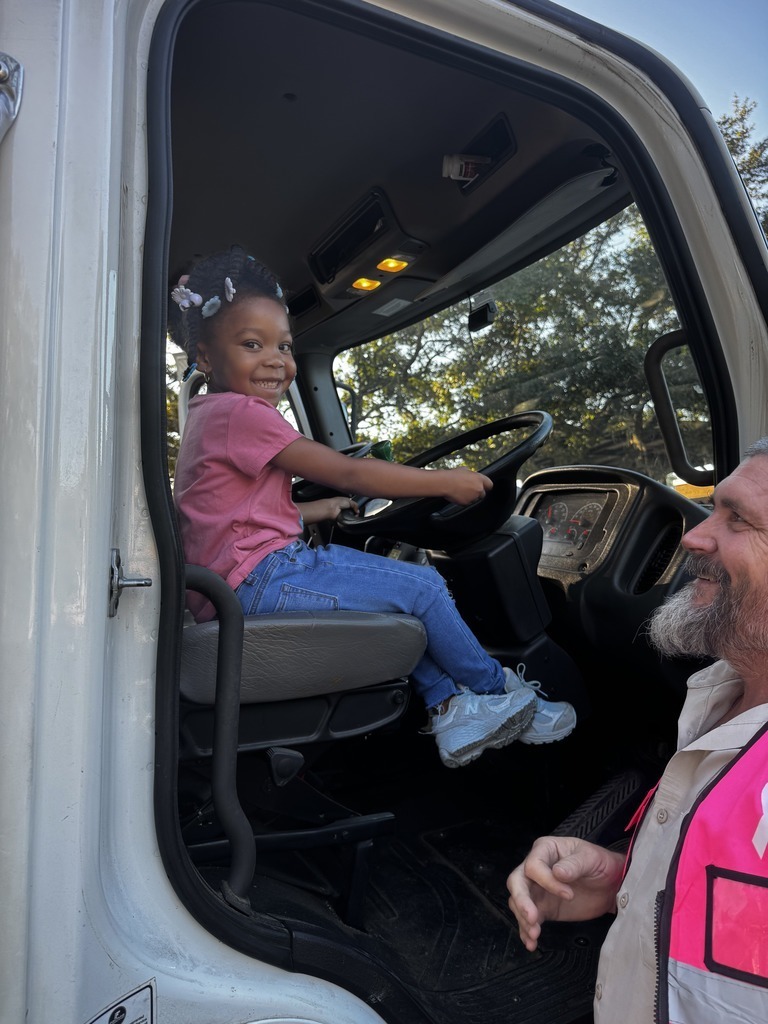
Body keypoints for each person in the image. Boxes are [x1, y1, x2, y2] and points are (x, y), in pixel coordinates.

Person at [171, 244, 577, 768]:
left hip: (235, 581)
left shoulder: (210, 417)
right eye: (253, 344)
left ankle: (452, 709)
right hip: (257, 581)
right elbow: (347, 471)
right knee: (424, 587)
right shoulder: (243, 413)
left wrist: (318, 513)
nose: (277, 361)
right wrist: (443, 483)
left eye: (286, 347)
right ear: (206, 356)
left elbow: (234, 519)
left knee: (401, 600)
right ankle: (503, 694)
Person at [506, 439, 768, 1023]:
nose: (693, 537)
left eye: (739, 520)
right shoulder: (719, 694)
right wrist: (628, 878)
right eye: (713, 509)